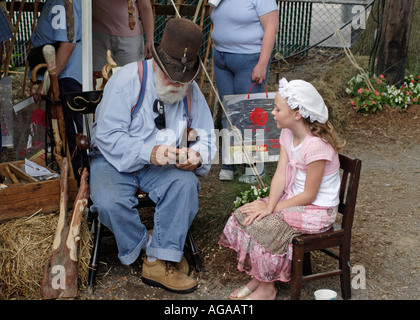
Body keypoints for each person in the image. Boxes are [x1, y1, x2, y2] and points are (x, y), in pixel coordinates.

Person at [89, 18, 216, 294]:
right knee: (109, 202)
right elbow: (107, 136)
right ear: (156, 60)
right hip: (112, 160)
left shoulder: (191, 91)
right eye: (170, 75)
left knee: (185, 185)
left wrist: (197, 155)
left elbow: (207, 136)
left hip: (158, 166)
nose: (175, 83)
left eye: (182, 79)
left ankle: (156, 262)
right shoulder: (126, 81)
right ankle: (156, 251)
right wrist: (149, 151)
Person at [219, 78, 345, 300]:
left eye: (278, 109)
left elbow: (309, 195)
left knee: (268, 225)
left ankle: (267, 289)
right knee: (245, 214)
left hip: (317, 210)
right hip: (294, 201)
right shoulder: (288, 134)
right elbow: (280, 174)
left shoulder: (316, 146)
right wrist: (269, 204)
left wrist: (274, 208)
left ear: (297, 114)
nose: (273, 113)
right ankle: (259, 279)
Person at [210, 0, 279, 183]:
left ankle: (255, 165)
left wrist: (262, 64)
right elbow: (214, 18)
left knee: (251, 114)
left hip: (249, 60)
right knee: (228, 113)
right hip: (221, 59)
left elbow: (271, 28)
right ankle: (230, 162)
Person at [92, 0, 154, 73]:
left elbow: (145, 7)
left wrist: (149, 40)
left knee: (130, 77)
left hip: (129, 41)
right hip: (98, 38)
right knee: (99, 78)